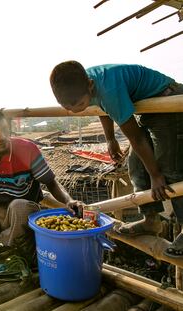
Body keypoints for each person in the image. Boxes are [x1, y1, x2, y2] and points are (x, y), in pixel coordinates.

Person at [50, 61, 183, 258]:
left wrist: (155, 175)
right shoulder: (84, 83)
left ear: (90, 85)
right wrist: (110, 139)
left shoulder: (107, 88)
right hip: (147, 111)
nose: (76, 111)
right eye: (68, 108)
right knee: (136, 166)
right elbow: (101, 106)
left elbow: (136, 137)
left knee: (169, 170)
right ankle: (151, 220)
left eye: (80, 105)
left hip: (168, 100)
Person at [0, 106, 83, 256]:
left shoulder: (27, 149)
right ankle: (4, 243)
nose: (1, 137)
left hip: (25, 216)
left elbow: (51, 183)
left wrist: (68, 200)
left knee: (19, 206)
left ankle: (1, 247)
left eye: (4, 129)